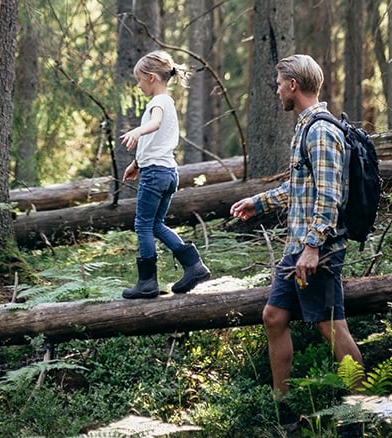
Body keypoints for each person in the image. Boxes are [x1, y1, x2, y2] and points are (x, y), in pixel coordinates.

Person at [230, 54, 363, 395]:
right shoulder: (306, 128)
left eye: (279, 85)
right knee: (273, 317)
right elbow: (302, 187)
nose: (277, 92)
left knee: (331, 327)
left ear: (293, 85)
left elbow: (330, 195)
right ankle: (283, 406)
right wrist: (258, 203)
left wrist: (313, 246)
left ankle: (362, 412)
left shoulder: (319, 131)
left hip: (318, 250)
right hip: (298, 249)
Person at [119, 50, 211, 299]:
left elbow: (155, 125)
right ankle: (194, 266)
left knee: (143, 225)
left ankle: (147, 282)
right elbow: (155, 141)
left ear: (151, 77)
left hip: (156, 175)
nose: (138, 85)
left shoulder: (158, 103)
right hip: (168, 172)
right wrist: (136, 163)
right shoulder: (167, 102)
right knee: (156, 224)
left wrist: (137, 131)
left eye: (139, 80)